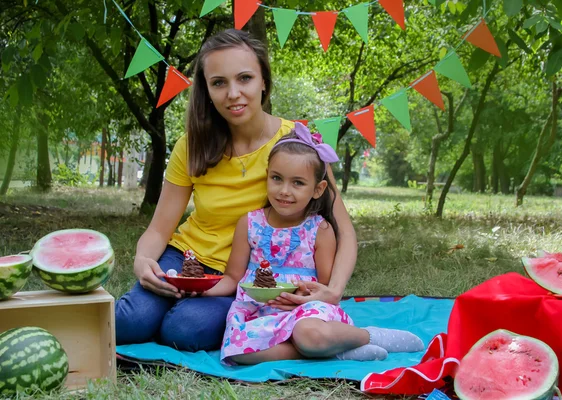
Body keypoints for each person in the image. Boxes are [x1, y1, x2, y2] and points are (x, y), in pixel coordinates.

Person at [115, 29, 359, 352]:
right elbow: (159, 229)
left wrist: (334, 290)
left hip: (244, 275)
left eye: (244, 78)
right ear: (207, 90)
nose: (233, 93)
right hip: (183, 258)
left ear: (263, 82)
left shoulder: (299, 144)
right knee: (129, 322)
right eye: (219, 83)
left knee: (184, 330)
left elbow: (345, 232)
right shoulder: (191, 146)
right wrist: (142, 259)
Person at [204, 124, 424, 364]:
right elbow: (233, 277)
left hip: (304, 310)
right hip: (258, 310)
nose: (284, 191)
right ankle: (334, 351)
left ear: (318, 189)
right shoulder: (249, 222)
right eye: (276, 178)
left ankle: (368, 336)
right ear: (267, 175)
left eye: (297, 183)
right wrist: (199, 289)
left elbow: (325, 283)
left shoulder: (319, 229)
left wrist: (301, 294)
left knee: (307, 334)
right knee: (236, 352)